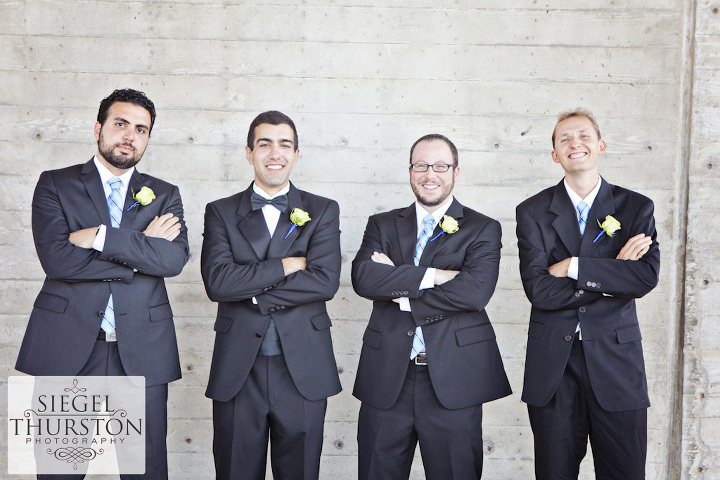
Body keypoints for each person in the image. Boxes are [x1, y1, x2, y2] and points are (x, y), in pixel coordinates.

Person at [16, 88, 189, 479]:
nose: (130, 135)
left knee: (144, 470)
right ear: (99, 128)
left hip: (142, 349)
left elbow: (174, 260)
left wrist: (99, 236)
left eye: (141, 129)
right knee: (58, 470)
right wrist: (140, 254)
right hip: (67, 346)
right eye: (120, 124)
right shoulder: (55, 184)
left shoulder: (164, 195)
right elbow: (57, 259)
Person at [351, 134, 512, 480]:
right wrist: (437, 275)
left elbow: (474, 293)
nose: (430, 174)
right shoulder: (381, 224)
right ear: (410, 171)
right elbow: (364, 280)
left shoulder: (482, 228)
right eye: (421, 166)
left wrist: (399, 286)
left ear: (456, 172)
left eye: (440, 166)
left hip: (455, 379)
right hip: (387, 378)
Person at [516, 108, 660, 479]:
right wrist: (613, 276)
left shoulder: (636, 207)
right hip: (554, 367)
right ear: (555, 155)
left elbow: (643, 278)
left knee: (625, 473)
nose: (574, 143)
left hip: (617, 363)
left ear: (600, 145)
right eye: (564, 139)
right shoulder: (531, 212)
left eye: (582, 136)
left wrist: (573, 267)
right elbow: (540, 291)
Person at [201, 111, 342, 480]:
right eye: (264, 144)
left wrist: (253, 293)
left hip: (304, 368)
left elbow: (324, 281)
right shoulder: (220, 212)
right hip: (238, 369)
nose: (274, 153)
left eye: (284, 144)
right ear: (249, 153)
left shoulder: (323, 210)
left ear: (297, 154)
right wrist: (287, 265)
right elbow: (218, 283)